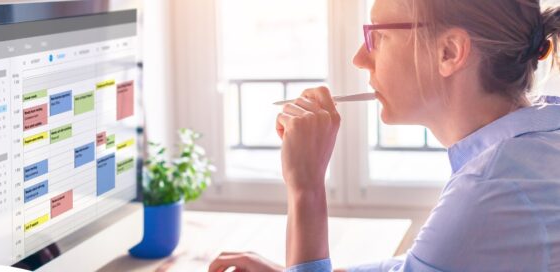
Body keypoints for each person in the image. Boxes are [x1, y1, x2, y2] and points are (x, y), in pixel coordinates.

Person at [208, 0, 560, 271]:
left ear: (449, 52)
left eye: (378, 36)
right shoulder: (538, 138)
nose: (360, 58)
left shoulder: (490, 188)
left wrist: (306, 187)